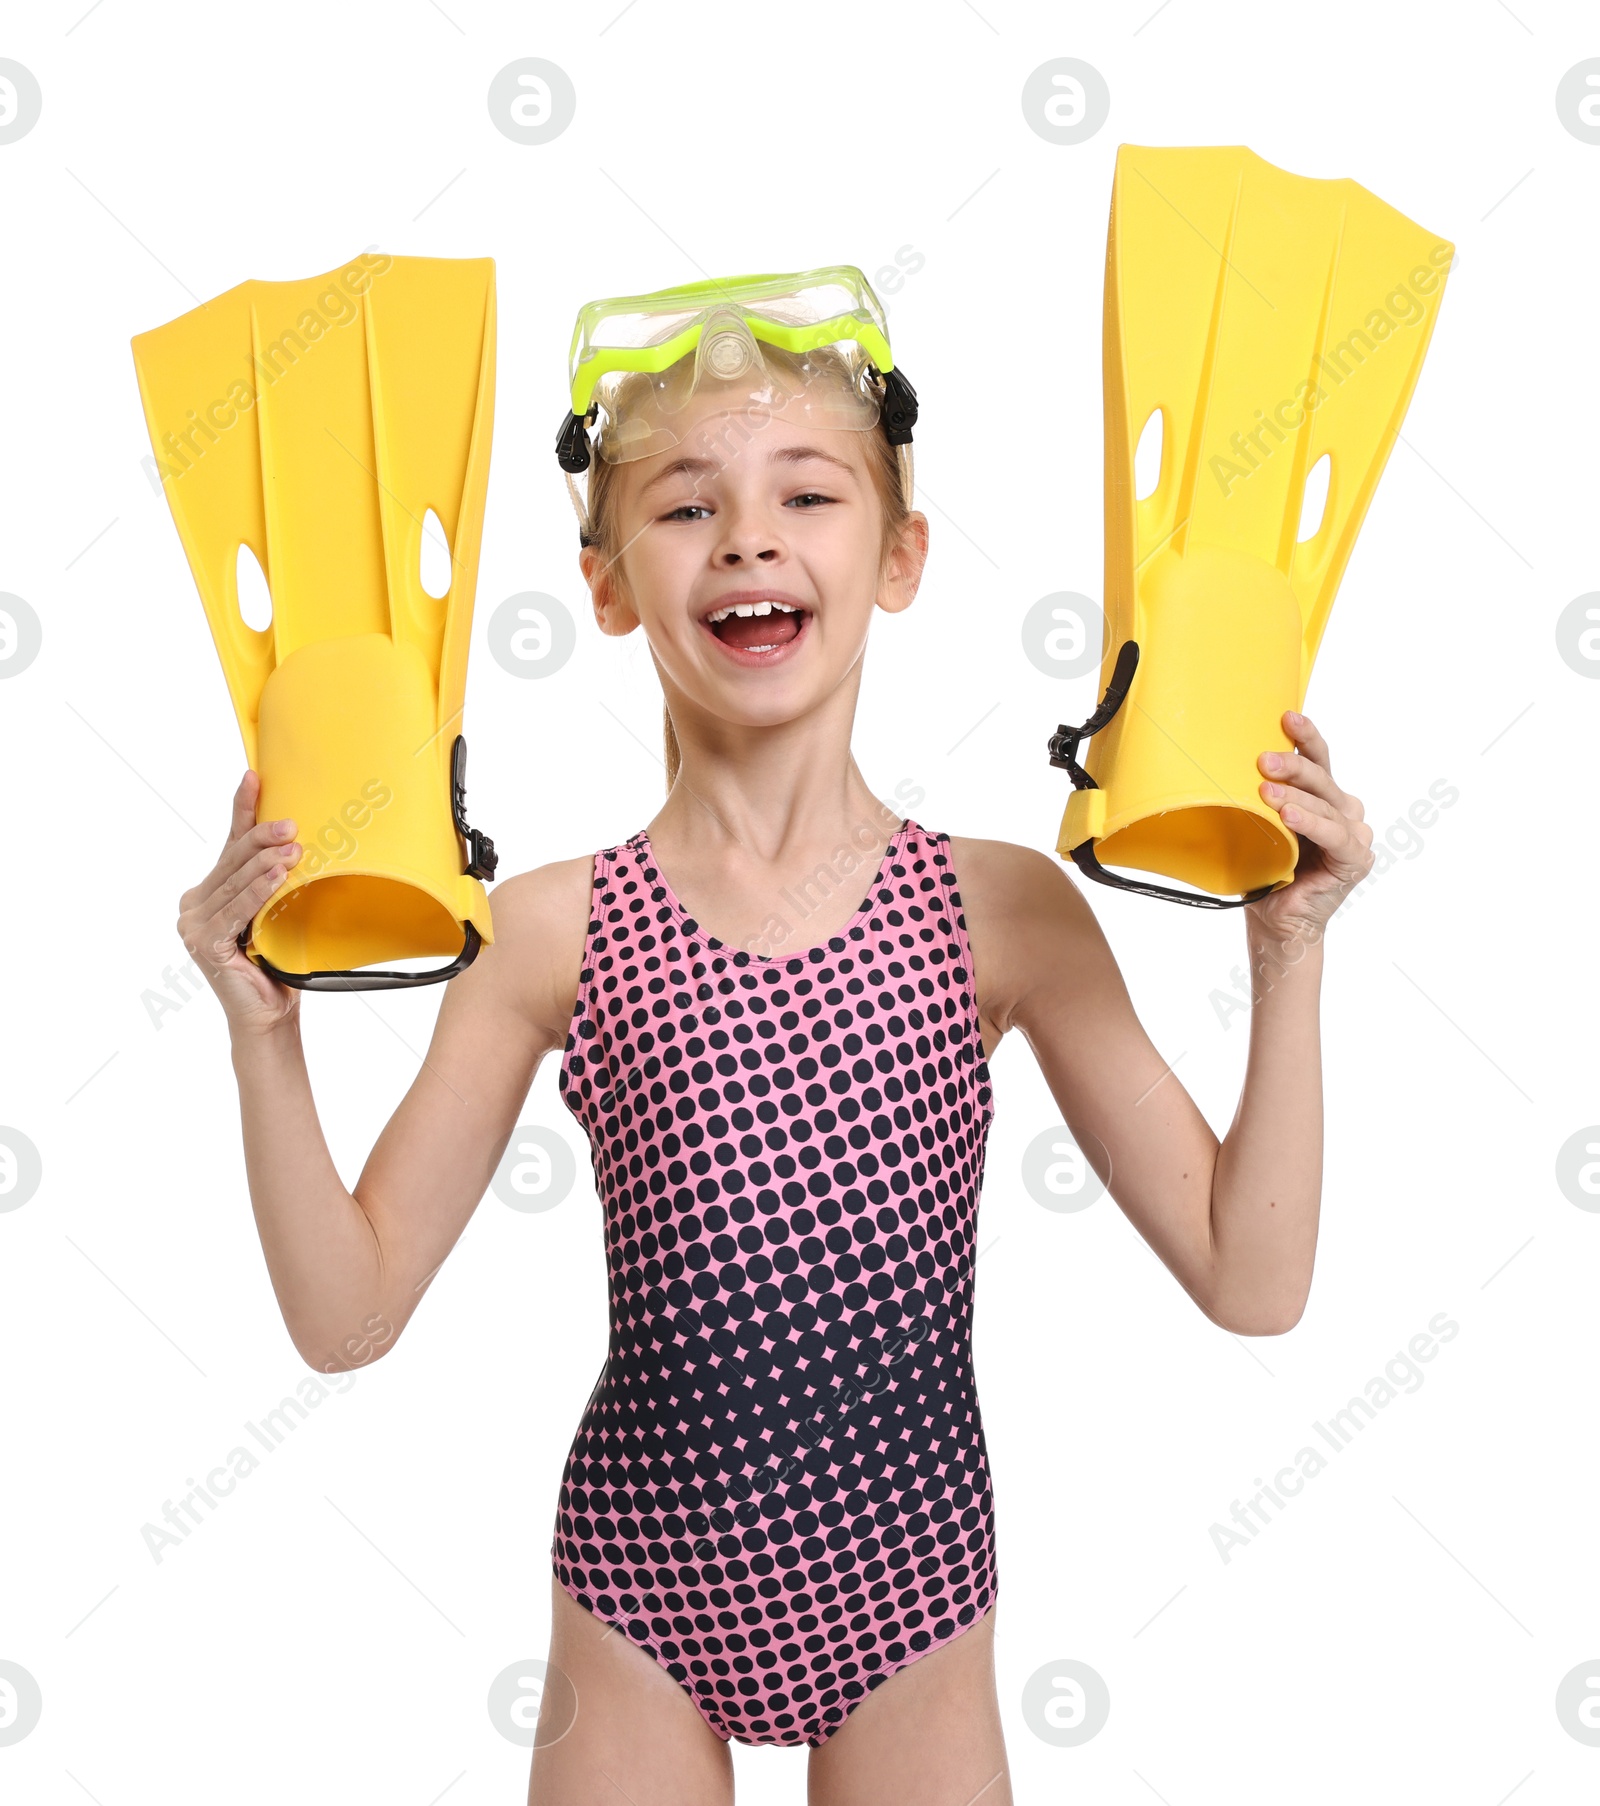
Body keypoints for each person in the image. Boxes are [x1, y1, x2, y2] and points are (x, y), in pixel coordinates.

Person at [177, 270, 1373, 1806]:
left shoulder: (1000, 912)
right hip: (639, 1596)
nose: (748, 536)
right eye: (686, 507)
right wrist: (262, 1034)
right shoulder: (549, 929)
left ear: (899, 555)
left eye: (807, 492)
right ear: (605, 581)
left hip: (915, 1598)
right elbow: (347, 1319)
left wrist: (1288, 949)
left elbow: (1250, 1275)